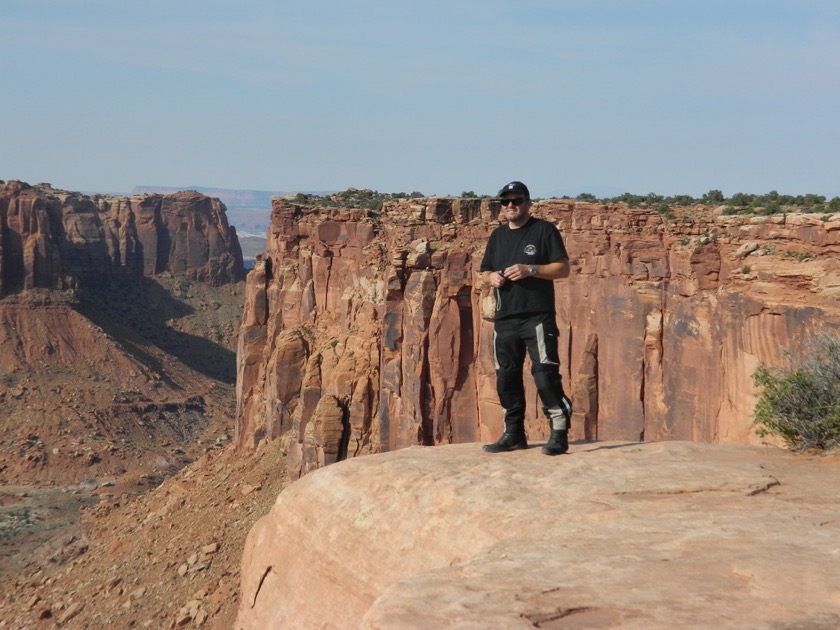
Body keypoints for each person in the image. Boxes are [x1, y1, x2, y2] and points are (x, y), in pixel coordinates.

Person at [479, 181, 573, 455]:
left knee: (544, 375)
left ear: (528, 203)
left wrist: (530, 269)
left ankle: (558, 431)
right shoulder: (497, 237)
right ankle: (514, 434)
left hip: (537, 316)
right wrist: (491, 277)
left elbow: (563, 269)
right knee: (505, 377)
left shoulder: (544, 231)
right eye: (505, 201)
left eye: (517, 200)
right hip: (505, 318)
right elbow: (484, 270)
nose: (511, 205)